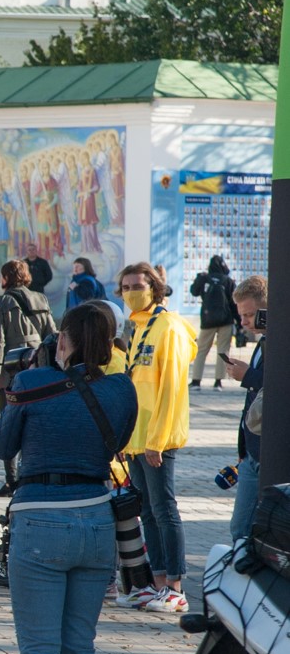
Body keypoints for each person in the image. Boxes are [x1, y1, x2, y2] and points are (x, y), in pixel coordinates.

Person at [0, 302, 136, 654]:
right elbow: (115, 439)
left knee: (39, 650)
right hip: (97, 521)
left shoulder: (32, 385)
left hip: (40, 522)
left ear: (66, 340)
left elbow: (1, 446)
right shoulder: (122, 390)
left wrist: (28, 381)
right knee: (80, 649)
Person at [116, 261, 196, 612]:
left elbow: (171, 389)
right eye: (126, 287)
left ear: (155, 288)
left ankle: (176, 586)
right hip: (135, 438)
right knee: (147, 511)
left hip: (156, 440)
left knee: (165, 510)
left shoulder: (168, 327)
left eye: (139, 285)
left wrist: (157, 440)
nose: (132, 292)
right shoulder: (135, 327)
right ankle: (158, 583)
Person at [0, 258, 58, 495]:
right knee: (36, 423)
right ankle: (33, 476)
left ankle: (11, 480)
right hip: (38, 370)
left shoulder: (1, 301)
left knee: (10, 422)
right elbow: (52, 335)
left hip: (12, 371)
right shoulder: (41, 299)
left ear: (5, 278)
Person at [227, 276, 269, 541]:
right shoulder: (262, 342)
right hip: (251, 455)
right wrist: (242, 448)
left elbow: (279, 390)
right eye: (241, 315)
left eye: (249, 314)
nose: (243, 321)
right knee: (239, 530)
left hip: (270, 455)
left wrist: (249, 377)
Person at [190, 255, 238, 388]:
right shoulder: (227, 281)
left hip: (207, 320)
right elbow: (234, 304)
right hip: (226, 320)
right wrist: (239, 322)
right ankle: (218, 382)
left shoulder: (205, 278)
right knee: (223, 350)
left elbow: (194, 291)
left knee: (201, 350)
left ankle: (196, 381)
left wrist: (199, 278)